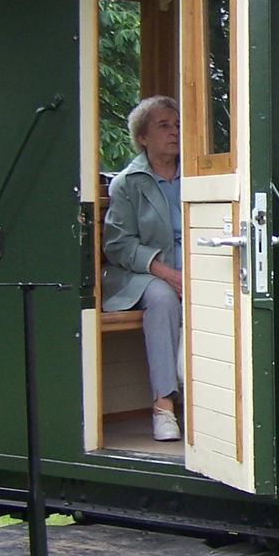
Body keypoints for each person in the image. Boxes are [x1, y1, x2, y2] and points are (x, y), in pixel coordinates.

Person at [102, 96, 184, 442]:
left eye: (178, 124)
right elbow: (118, 245)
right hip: (145, 274)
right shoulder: (128, 182)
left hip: (197, 267)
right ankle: (164, 406)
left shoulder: (197, 173)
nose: (174, 132)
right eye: (163, 125)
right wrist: (169, 274)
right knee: (164, 299)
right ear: (143, 138)